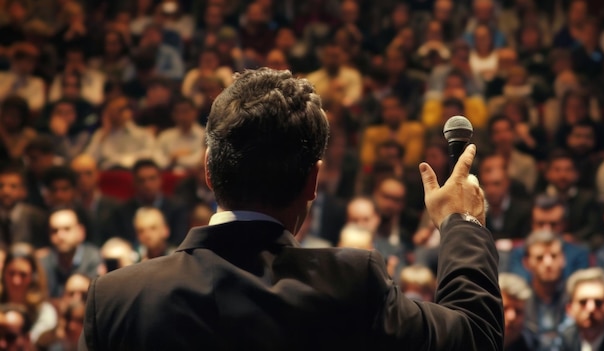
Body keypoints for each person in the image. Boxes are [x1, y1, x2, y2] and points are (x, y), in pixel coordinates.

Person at [79, 68, 502, 350]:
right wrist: (461, 222)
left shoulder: (117, 300)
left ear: (208, 170)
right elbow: (477, 337)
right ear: (313, 182)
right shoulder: (351, 285)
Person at [559, 268, 604, 350]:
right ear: (569, 308)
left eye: (598, 302)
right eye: (583, 302)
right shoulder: (567, 338)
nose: (591, 308)